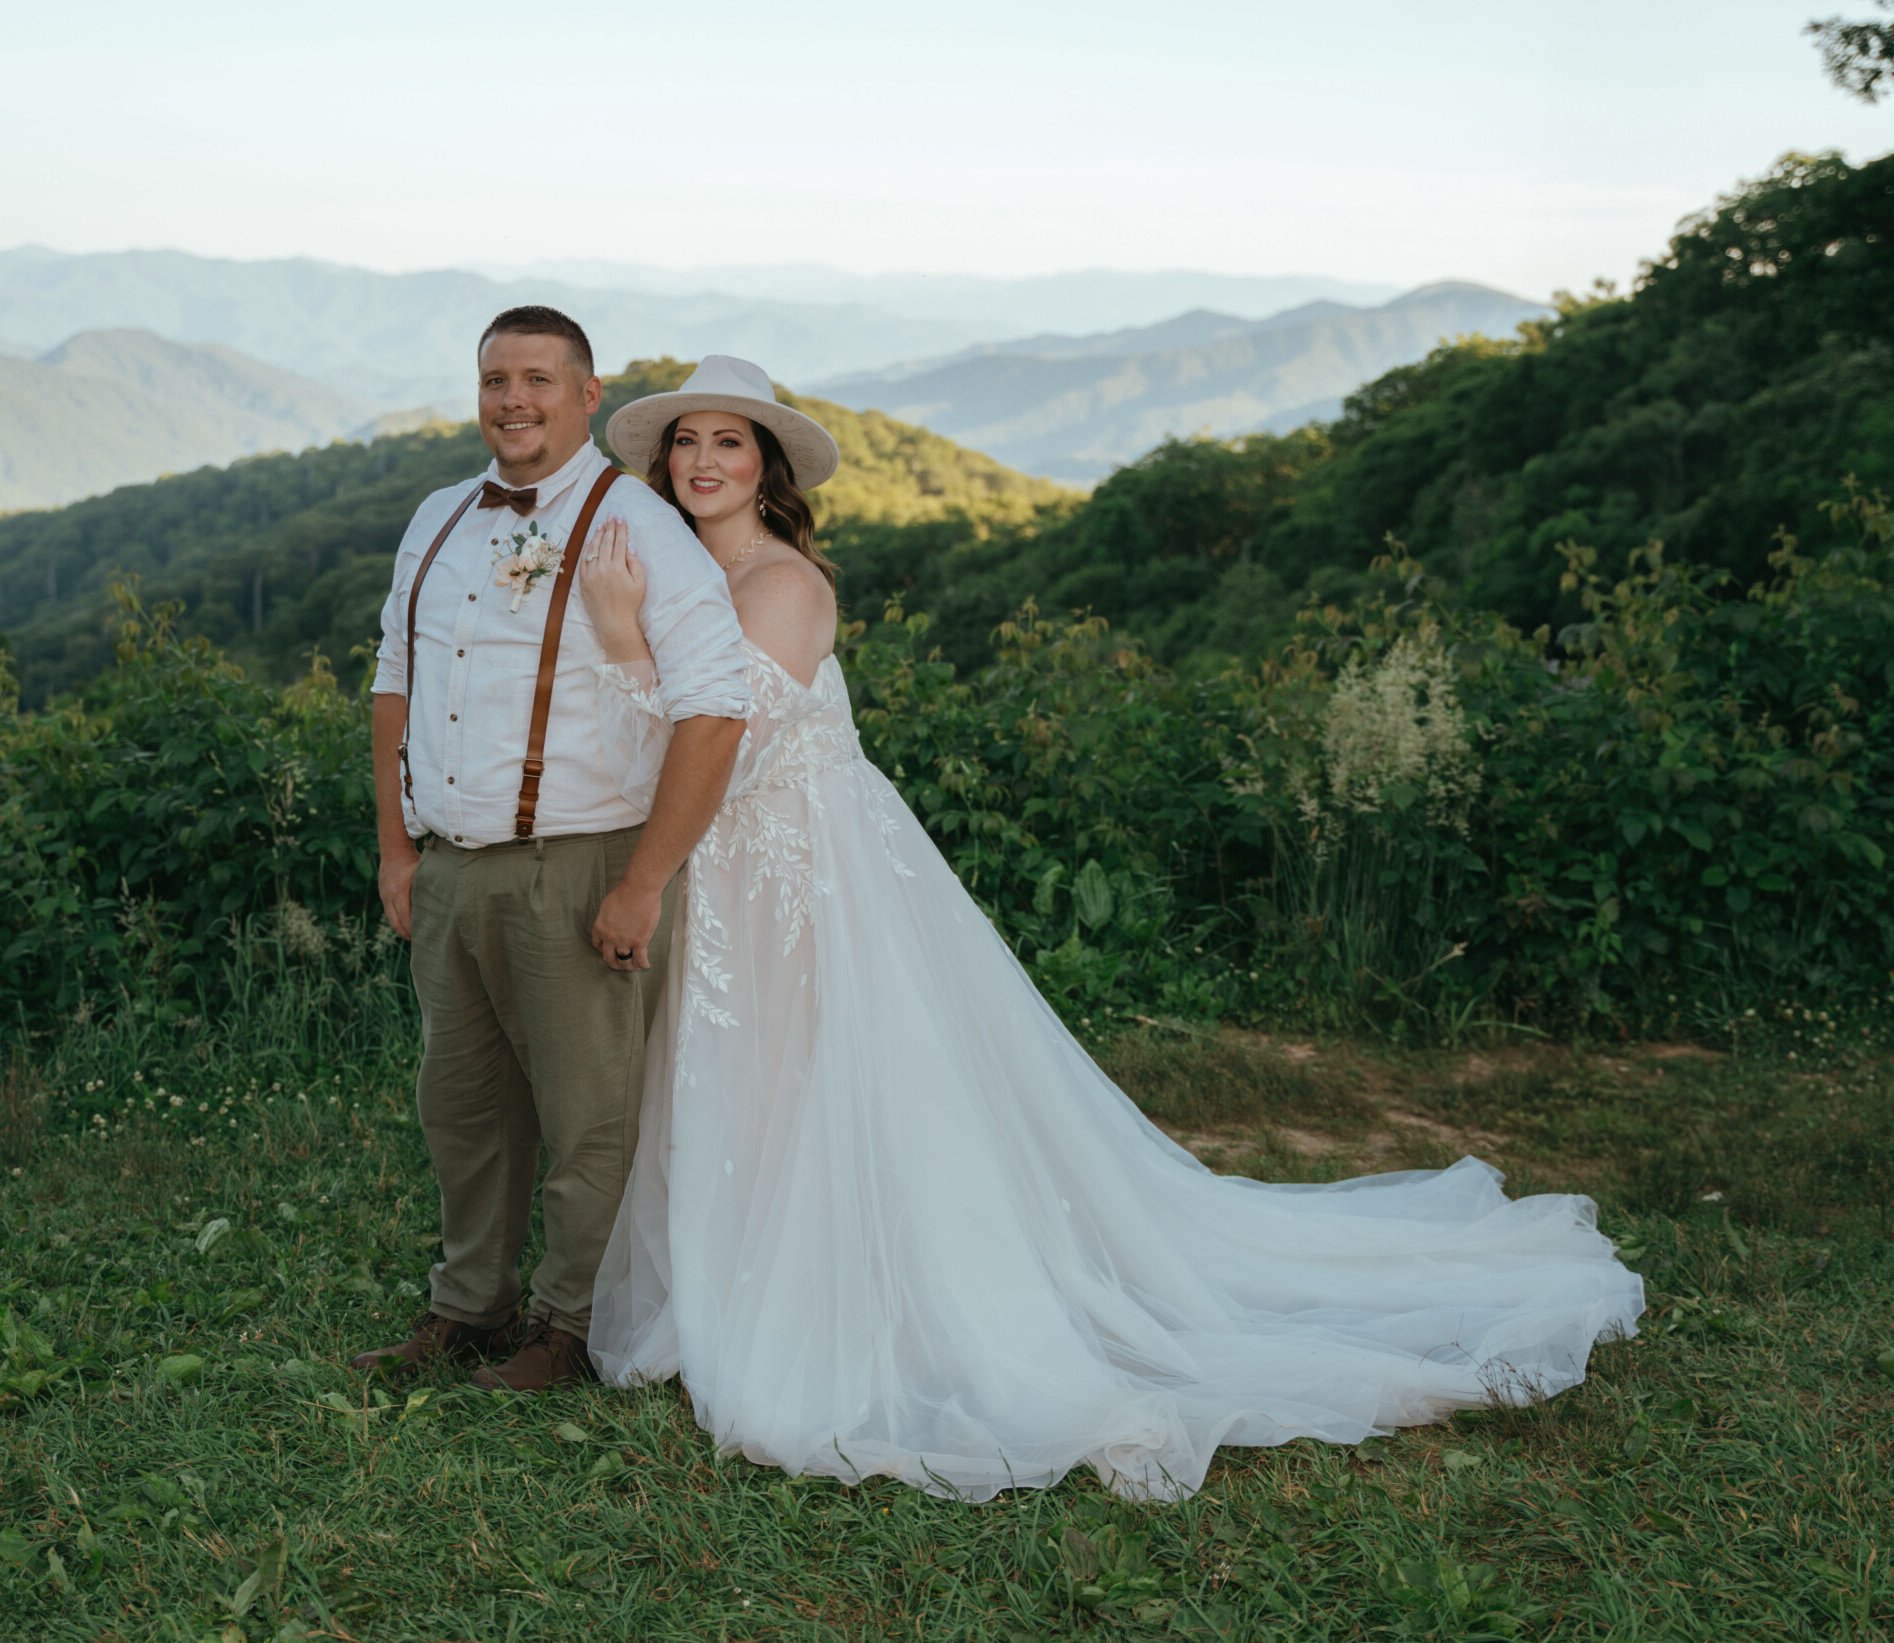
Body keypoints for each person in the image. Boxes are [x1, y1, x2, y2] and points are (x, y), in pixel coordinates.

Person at [576, 354, 1647, 1500]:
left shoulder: (784, 587)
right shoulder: (681, 574)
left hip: (800, 868)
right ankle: (729, 1293)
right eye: (683, 443)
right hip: (720, 870)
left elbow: (716, 749)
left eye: (727, 443)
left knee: (812, 1079)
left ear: (766, 466)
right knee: (741, 1078)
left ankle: (832, 1306)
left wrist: (619, 634)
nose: (700, 463)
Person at [356, 308, 749, 1394]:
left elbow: (716, 708)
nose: (511, 400)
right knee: (463, 1106)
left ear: (586, 396)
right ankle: (467, 1306)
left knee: (588, 1114)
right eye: (494, 379)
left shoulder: (641, 526)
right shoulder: (437, 516)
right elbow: (394, 681)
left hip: (577, 865)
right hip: (447, 868)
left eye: (536, 378)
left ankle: (567, 1327)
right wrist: (396, 851)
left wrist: (643, 880)